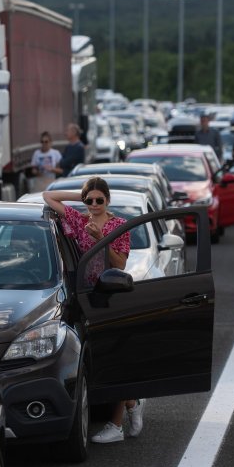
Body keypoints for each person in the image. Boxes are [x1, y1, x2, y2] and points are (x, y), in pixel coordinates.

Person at [43, 178, 144, 444]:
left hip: (112, 291)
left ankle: (116, 424)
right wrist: (82, 196)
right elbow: (48, 196)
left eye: (100, 200)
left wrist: (102, 240)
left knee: (116, 358)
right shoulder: (78, 220)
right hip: (85, 296)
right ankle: (132, 402)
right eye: (91, 200)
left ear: (108, 200)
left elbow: (120, 263)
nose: (95, 205)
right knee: (97, 358)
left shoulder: (118, 226)